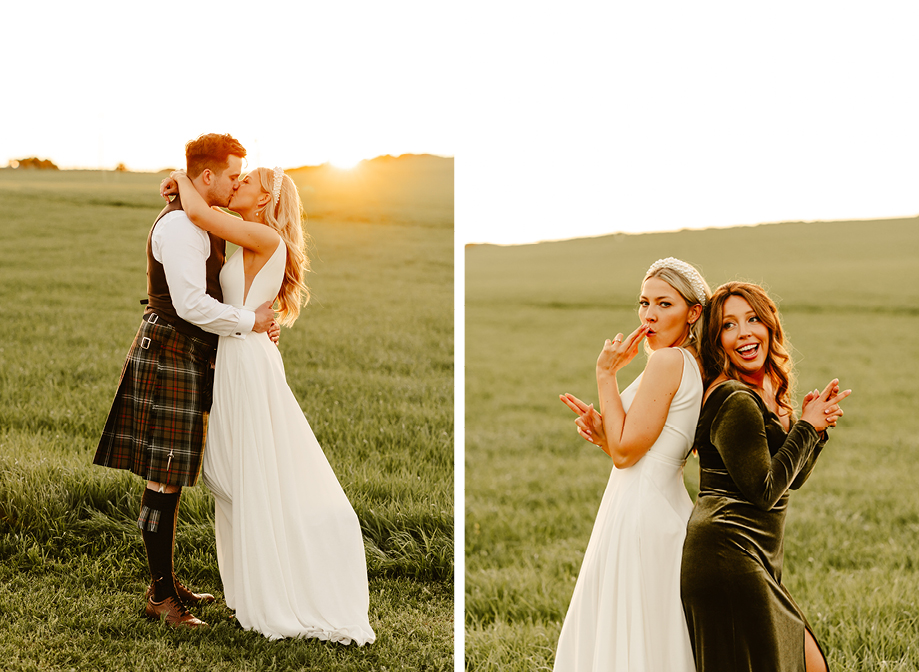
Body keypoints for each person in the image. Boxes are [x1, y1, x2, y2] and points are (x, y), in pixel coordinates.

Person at [160, 165, 376, 644]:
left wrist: (182, 176)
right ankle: (255, 578)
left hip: (246, 360)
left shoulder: (262, 235)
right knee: (232, 471)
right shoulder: (249, 239)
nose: (237, 183)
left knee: (250, 471)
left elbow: (199, 212)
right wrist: (255, 320)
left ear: (263, 200)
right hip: (238, 353)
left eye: (247, 181)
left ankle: (277, 585)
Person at [93, 133, 276, 628]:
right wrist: (250, 321)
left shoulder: (202, 217)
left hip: (187, 352)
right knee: (164, 474)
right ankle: (160, 596)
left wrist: (257, 319)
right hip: (169, 350)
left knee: (170, 473)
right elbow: (192, 304)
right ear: (208, 175)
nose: (238, 182)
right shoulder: (180, 227)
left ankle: (168, 586)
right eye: (233, 175)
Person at [680, 281, 850, 672]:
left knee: (807, 663)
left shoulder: (761, 393)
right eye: (728, 325)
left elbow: (790, 479)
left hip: (754, 555)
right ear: (717, 341)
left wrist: (815, 431)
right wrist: (806, 428)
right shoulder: (735, 399)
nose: (744, 333)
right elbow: (765, 491)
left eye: (752, 319)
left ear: (770, 325)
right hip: (728, 553)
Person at [553, 257, 710, 671]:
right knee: (652, 634)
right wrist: (606, 435)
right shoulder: (692, 362)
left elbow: (626, 455)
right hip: (655, 504)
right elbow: (642, 451)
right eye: (644, 303)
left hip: (641, 514)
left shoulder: (667, 361)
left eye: (664, 304)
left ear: (694, 312)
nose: (649, 315)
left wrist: (606, 374)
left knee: (628, 632)